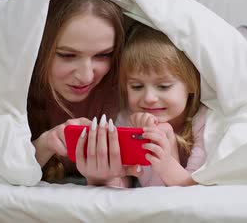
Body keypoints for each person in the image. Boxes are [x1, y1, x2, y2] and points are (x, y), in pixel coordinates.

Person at [27, 0, 128, 185]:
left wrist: (102, 178)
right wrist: (45, 144)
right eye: (67, 55)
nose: (86, 76)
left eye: (103, 55)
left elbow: (123, 184)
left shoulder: (125, 89)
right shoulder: (14, 87)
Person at [85, 23, 207, 187]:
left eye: (164, 86)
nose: (149, 98)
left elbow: (196, 188)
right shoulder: (127, 119)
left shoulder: (202, 122)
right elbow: (122, 185)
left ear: (192, 84)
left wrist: (166, 161)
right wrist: (102, 177)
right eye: (137, 86)